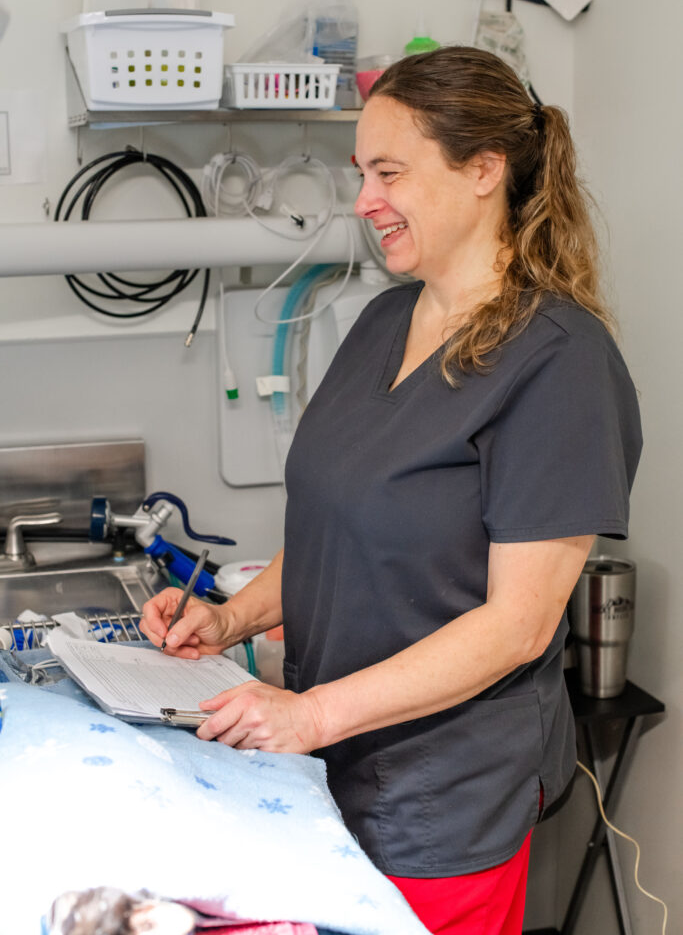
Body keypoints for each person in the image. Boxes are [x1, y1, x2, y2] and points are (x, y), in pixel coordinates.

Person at [141, 46, 642, 935]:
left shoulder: (559, 362)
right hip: (328, 763)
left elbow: (517, 625)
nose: (364, 200)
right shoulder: (381, 320)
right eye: (360, 173)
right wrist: (228, 619)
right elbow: (341, 533)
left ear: (483, 170)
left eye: (389, 171)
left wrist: (310, 714)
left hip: (441, 798)